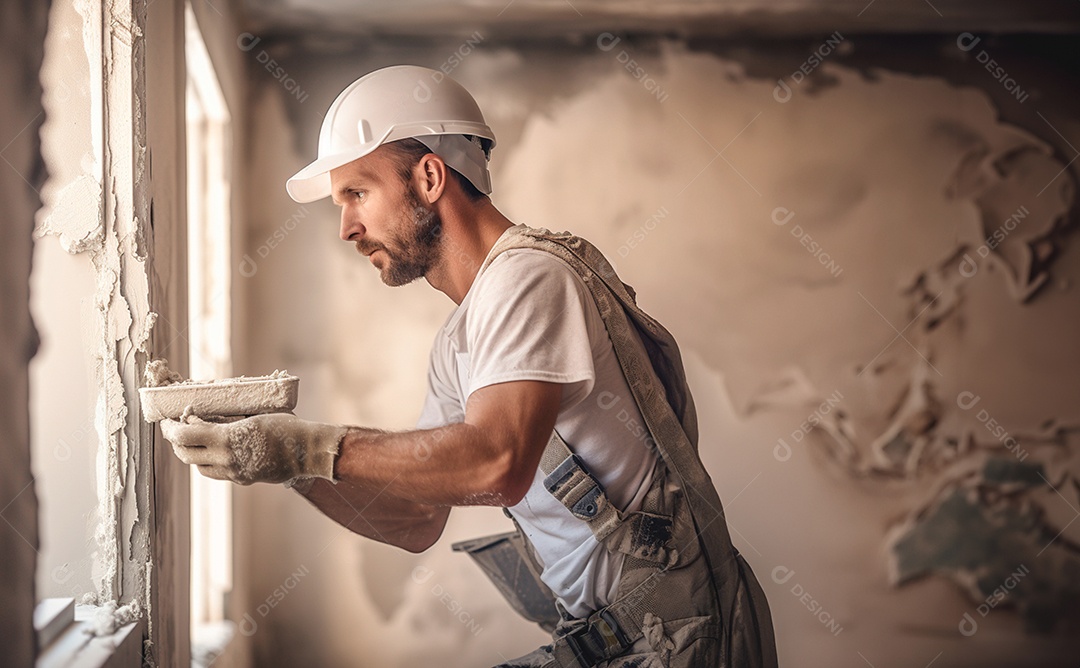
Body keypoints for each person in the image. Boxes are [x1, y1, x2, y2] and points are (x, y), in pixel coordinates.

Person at [160, 65, 777, 668]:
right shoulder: (462, 337)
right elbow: (415, 519)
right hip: (622, 639)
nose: (346, 227)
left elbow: (497, 462)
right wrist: (275, 462)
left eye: (357, 193)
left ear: (429, 177)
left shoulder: (529, 278)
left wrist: (306, 448)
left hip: (682, 638)